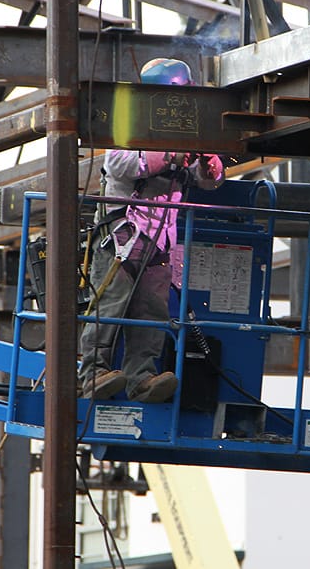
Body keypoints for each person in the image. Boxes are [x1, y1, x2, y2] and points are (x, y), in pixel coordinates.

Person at [79, 58, 225, 403]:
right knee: (110, 304)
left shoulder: (189, 133)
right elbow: (117, 163)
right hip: (123, 236)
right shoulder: (131, 126)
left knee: (151, 311)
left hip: (161, 240)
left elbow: (208, 181)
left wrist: (209, 165)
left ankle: (141, 378)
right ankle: (93, 373)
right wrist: (171, 157)